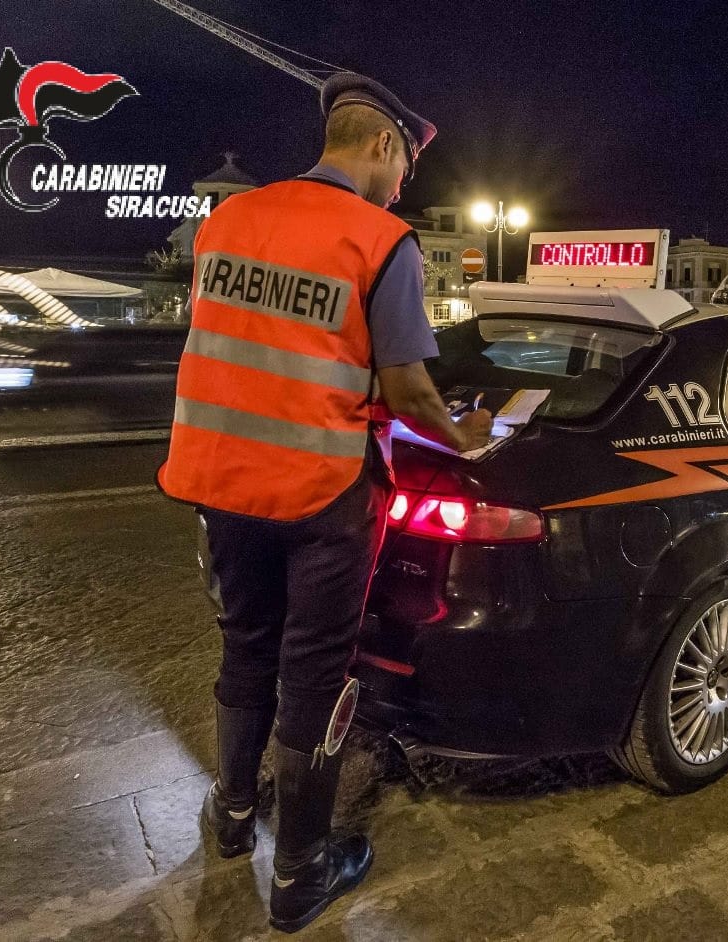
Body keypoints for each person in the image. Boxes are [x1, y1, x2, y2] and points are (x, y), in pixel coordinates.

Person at [157, 72, 491, 933]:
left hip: (220, 480)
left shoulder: (225, 222)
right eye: (405, 170)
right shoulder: (380, 240)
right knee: (314, 670)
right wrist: (469, 436)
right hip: (320, 493)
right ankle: (301, 873)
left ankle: (231, 818)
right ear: (382, 145)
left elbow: (262, 346)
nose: (401, 188)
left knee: (244, 643)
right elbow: (411, 389)